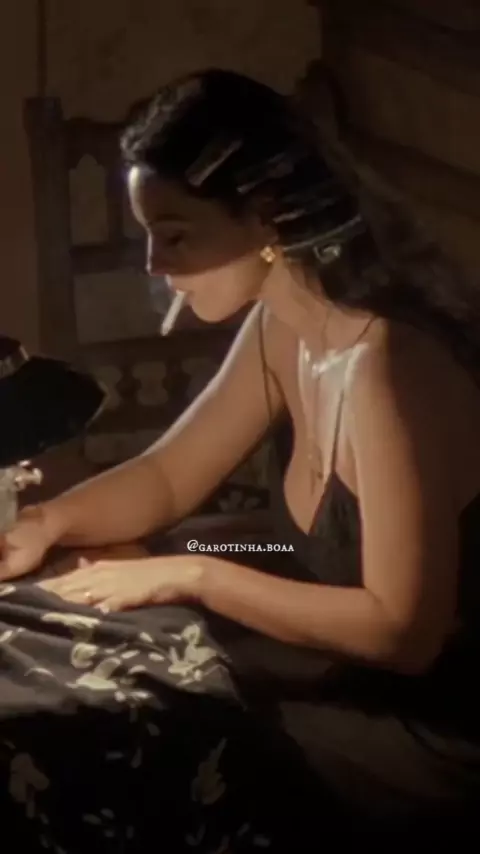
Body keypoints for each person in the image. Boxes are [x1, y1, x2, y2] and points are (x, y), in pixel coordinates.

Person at [1, 68, 480, 849]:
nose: (153, 265)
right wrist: (46, 523)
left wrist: (195, 575)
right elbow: (168, 475)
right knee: (103, 611)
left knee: (126, 737)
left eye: (175, 235)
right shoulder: (284, 326)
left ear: (265, 219)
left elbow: (403, 632)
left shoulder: (392, 365)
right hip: (328, 649)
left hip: (426, 729)